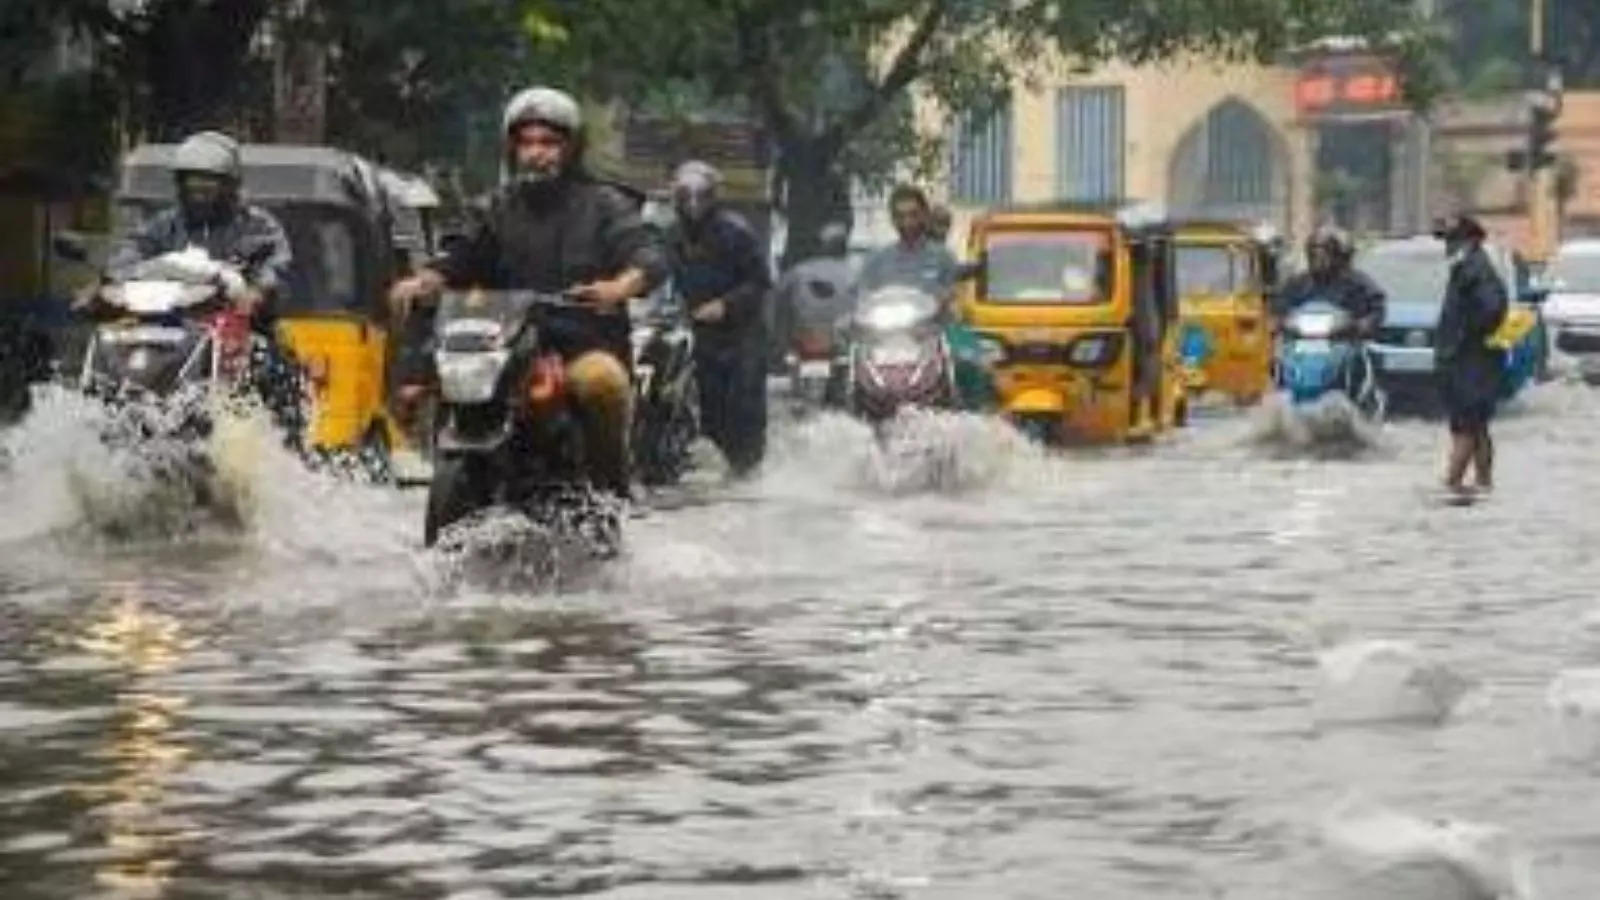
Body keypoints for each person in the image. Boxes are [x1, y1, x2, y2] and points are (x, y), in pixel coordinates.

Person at [388, 86, 667, 500]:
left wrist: (619, 286)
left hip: (581, 344)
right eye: (527, 142)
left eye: (549, 142)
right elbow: (462, 254)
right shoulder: (495, 208)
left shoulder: (606, 204)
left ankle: (612, 491)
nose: (537, 152)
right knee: (445, 380)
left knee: (603, 383)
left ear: (571, 148)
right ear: (512, 149)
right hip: (504, 348)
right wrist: (427, 279)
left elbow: (646, 254)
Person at [104, 130, 292, 327]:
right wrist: (110, 283)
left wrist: (258, 292)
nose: (199, 194)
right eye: (192, 183)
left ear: (231, 185)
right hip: (165, 327)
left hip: (240, 329)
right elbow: (128, 256)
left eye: (209, 185)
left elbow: (276, 268)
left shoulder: (258, 226)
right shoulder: (162, 225)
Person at [665, 160, 772, 477]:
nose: (693, 204)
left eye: (701, 196)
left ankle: (749, 470)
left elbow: (759, 281)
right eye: (686, 196)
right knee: (711, 408)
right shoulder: (672, 236)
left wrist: (726, 305)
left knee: (745, 404)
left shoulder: (736, 232)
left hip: (742, 334)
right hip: (700, 333)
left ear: (713, 197)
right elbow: (661, 276)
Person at [1434, 214, 1508, 495]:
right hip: (1468, 359)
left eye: (1454, 240)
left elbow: (1491, 310)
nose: (1448, 247)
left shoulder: (1475, 270)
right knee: (1476, 426)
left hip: (1472, 361)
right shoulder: (1466, 269)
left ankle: (1452, 484)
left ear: (1471, 241)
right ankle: (1484, 483)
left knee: (1466, 425)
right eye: (1448, 241)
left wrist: (1464, 338)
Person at [1272, 224, 1386, 335]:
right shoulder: (1298, 283)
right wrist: (1279, 321)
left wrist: (1363, 325)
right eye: (1315, 253)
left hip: (1344, 341)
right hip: (1300, 343)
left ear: (1339, 255)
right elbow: (1281, 305)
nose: (1319, 259)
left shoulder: (1359, 284)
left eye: (1325, 252)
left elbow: (1376, 308)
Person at [857, 185, 959, 302]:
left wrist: (947, 298)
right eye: (900, 216)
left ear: (925, 215)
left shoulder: (945, 258)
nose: (907, 222)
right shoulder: (875, 261)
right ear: (892, 219)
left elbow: (955, 301)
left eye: (913, 214)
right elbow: (860, 300)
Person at [773, 221, 854, 346]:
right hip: (839, 341)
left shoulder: (797, 271)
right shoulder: (854, 275)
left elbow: (777, 304)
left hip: (801, 339)